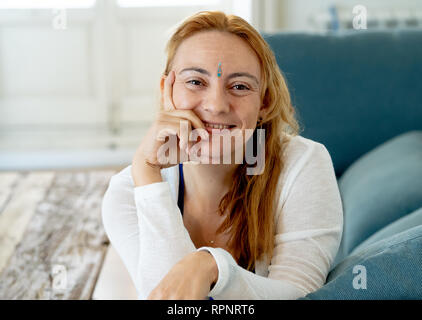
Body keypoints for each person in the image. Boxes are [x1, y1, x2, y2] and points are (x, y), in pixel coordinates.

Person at [101, 10, 343, 300]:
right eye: (195, 82)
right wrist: (147, 173)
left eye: (239, 86)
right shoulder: (130, 191)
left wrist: (213, 268)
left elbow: (299, 295)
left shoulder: (304, 164)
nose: (216, 106)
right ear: (167, 90)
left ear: (264, 101)